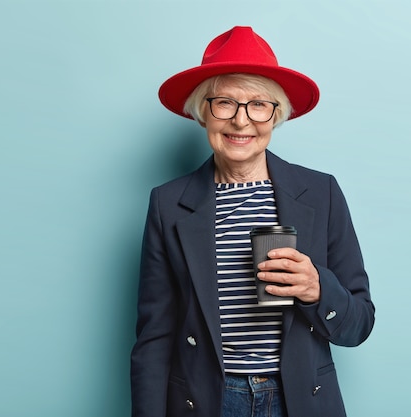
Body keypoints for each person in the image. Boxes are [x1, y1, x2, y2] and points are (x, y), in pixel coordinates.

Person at [130, 26, 375, 417]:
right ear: (201, 112)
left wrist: (316, 289)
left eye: (259, 105)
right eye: (224, 102)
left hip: (298, 399)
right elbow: (154, 338)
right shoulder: (167, 203)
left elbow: (359, 324)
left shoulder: (321, 192)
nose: (242, 121)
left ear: (276, 115)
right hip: (206, 400)